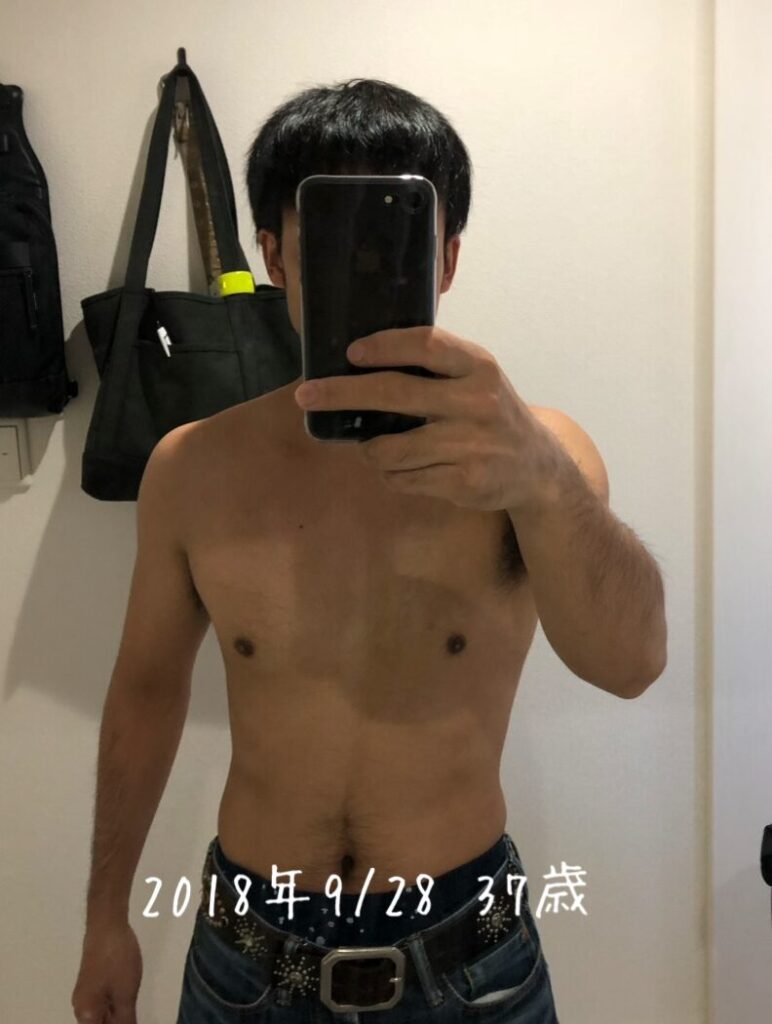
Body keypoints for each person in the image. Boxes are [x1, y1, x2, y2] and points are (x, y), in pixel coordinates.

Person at [71, 78, 667, 1024]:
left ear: (448, 257)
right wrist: (106, 915)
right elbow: (144, 693)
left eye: (392, 240)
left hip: (470, 955)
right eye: (329, 239)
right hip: (248, 958)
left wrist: (542, 479)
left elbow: (632, 664)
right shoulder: (192, 469)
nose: (361, 267)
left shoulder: (537, 455)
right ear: (275, 255)